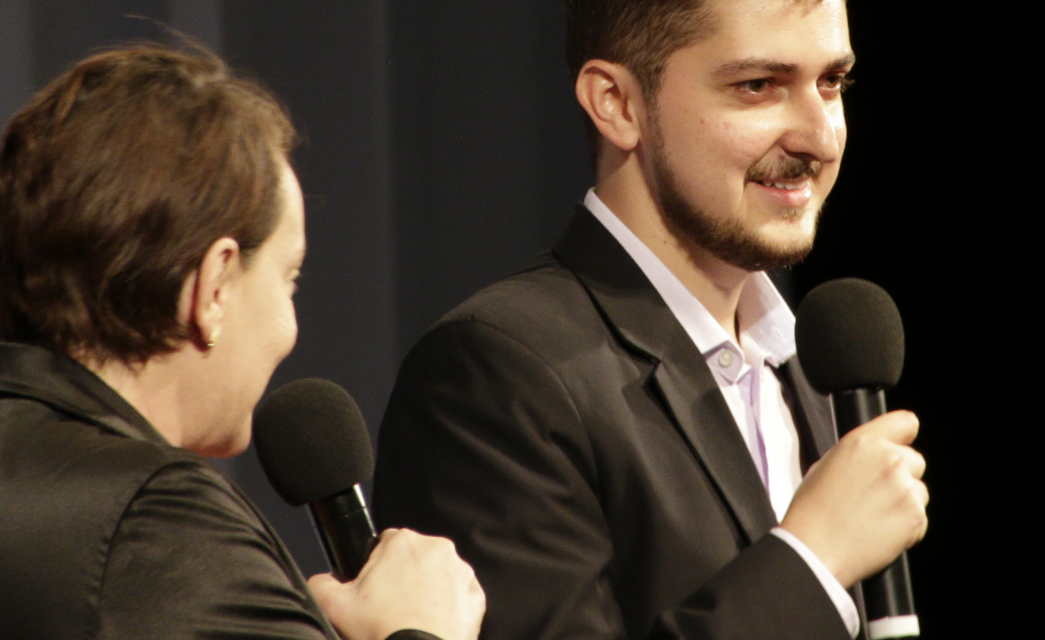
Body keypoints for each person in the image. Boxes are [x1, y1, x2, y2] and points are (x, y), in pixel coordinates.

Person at [0, 44, 484, 640]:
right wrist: (419, 633)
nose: (291, 328)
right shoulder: (160, 532)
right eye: (290, 277)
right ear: (215, 286)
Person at [373, 1, 927, 638]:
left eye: (832, 83)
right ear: (618, 104)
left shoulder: (809, 365)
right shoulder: (495, 375)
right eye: (758, 87)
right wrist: (812, 561)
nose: (820, 137)